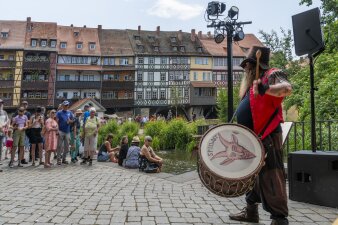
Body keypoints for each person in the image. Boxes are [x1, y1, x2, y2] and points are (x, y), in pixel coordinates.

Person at [229, 46, 292, 225]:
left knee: (272, 176)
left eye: (247, 65)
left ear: (255, 64)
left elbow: (286, 88)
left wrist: (265, 88)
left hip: (269, 136)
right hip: (254, 138)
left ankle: (279, 219)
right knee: (253, 176)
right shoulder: (254, 83)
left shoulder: (271, 75)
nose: (246, 69)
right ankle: (251, 212)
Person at [56, 100, 74, 165]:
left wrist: (70, 121)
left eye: (67, 105)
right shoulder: (59, 113)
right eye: (65, 105)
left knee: (66, 147)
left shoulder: (70, 112)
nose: (66, 106)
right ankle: (58, 159)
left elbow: (73, 121)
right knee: (59, 146)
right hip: (60, 131)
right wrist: (57, 130)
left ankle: (64, 159)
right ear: (63, 106)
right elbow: (57, 122)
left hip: (67, 131)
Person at [0, 99, 10, 164]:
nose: (0, 104)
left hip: (2, 132)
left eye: (1, 103)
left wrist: (7, 127)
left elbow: (8, 120)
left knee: (0, 147)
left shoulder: (4, 112)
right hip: (1, 129)